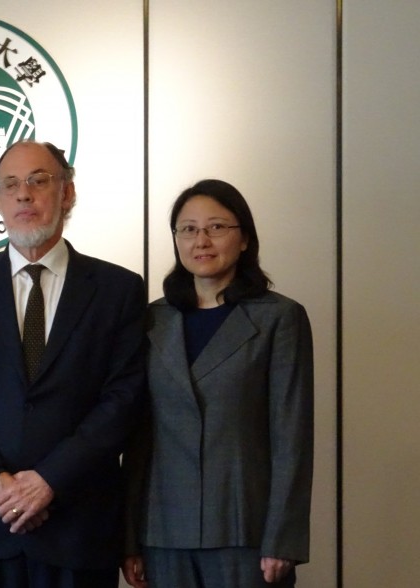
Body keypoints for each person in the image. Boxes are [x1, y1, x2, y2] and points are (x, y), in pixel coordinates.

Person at [0, 140, 147, 588]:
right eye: (10, 185)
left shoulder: (117, 289)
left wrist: (49, 479)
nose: (23, 195)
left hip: (78, 524)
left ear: (67, 193)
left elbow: (123, 401)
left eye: (38, 181)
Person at [122, 179, 314, 588]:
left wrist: (283, 538)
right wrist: (130, 537)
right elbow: (138, 437)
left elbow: (291, 437)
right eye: (187, 229)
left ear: (244, 238)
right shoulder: (153, 319)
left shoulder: (279, 318)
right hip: (163, 532)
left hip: (245, 530)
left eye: (216, 227)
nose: (201, 240)